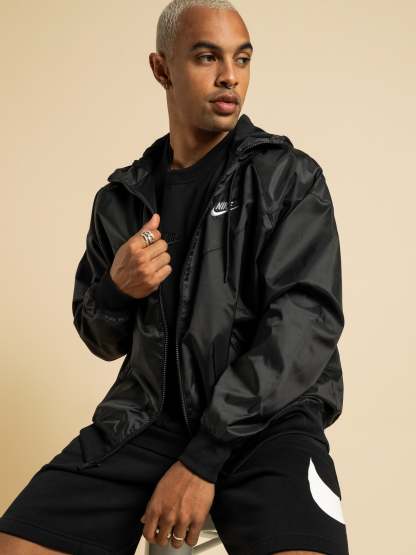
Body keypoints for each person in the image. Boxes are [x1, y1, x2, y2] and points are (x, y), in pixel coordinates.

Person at [0, 1, 350, 554]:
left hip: (270, 424)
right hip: (148, 422)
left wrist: (202, 460)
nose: (230, 75)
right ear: (161, 68)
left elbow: (303, 327)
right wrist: (117, 288)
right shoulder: (122, 199)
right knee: (17, 544)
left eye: (242, 59)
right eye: (207, 57)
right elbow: (102, 339)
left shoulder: (289, 178)